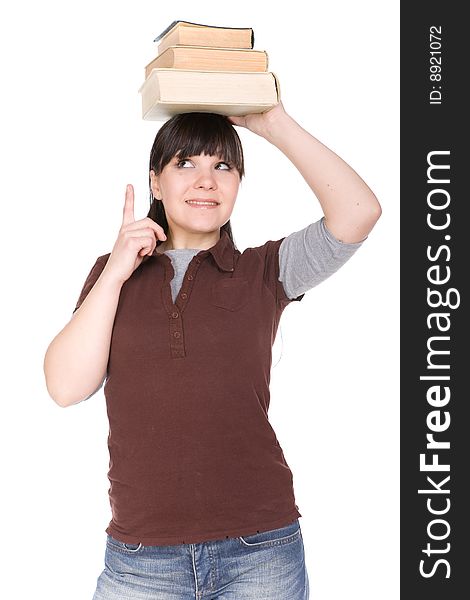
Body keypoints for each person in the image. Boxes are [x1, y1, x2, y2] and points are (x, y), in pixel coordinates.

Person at [43, 100, 381, 599]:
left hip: (260, 552)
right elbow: (66, 387)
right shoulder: (111, 276)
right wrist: (116, 270)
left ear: (238, 186)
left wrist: (273, 124)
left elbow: (359, 211)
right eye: (186, 164)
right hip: (141, 560)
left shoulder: (266, 271)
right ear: (156, 182)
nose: (206, 180)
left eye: (222, 166)